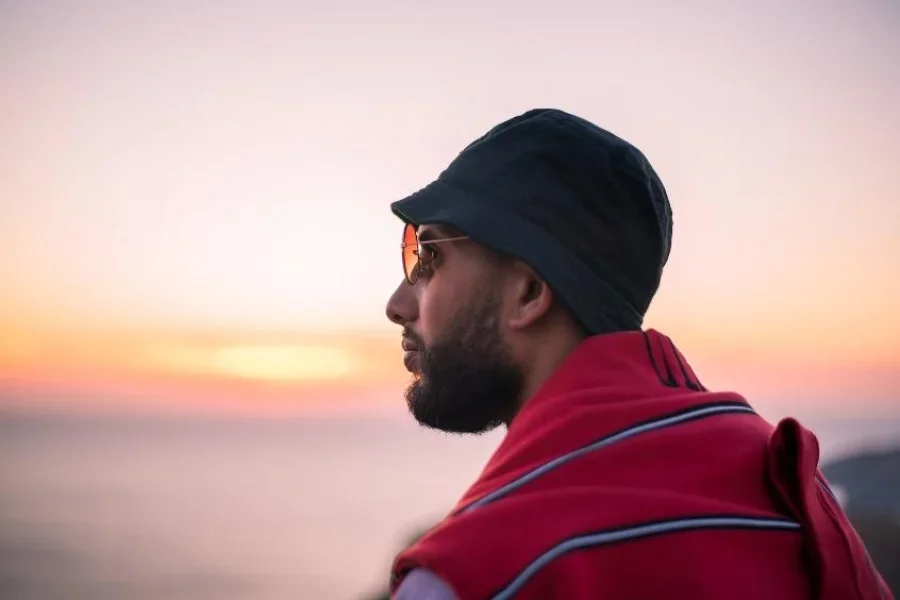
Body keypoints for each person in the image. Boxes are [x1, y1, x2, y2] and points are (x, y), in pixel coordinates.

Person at [383, 108, 892, 600]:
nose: (397, 304)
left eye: (428, 256)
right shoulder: (797, 498)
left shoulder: (469, 576)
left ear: (529, 293)